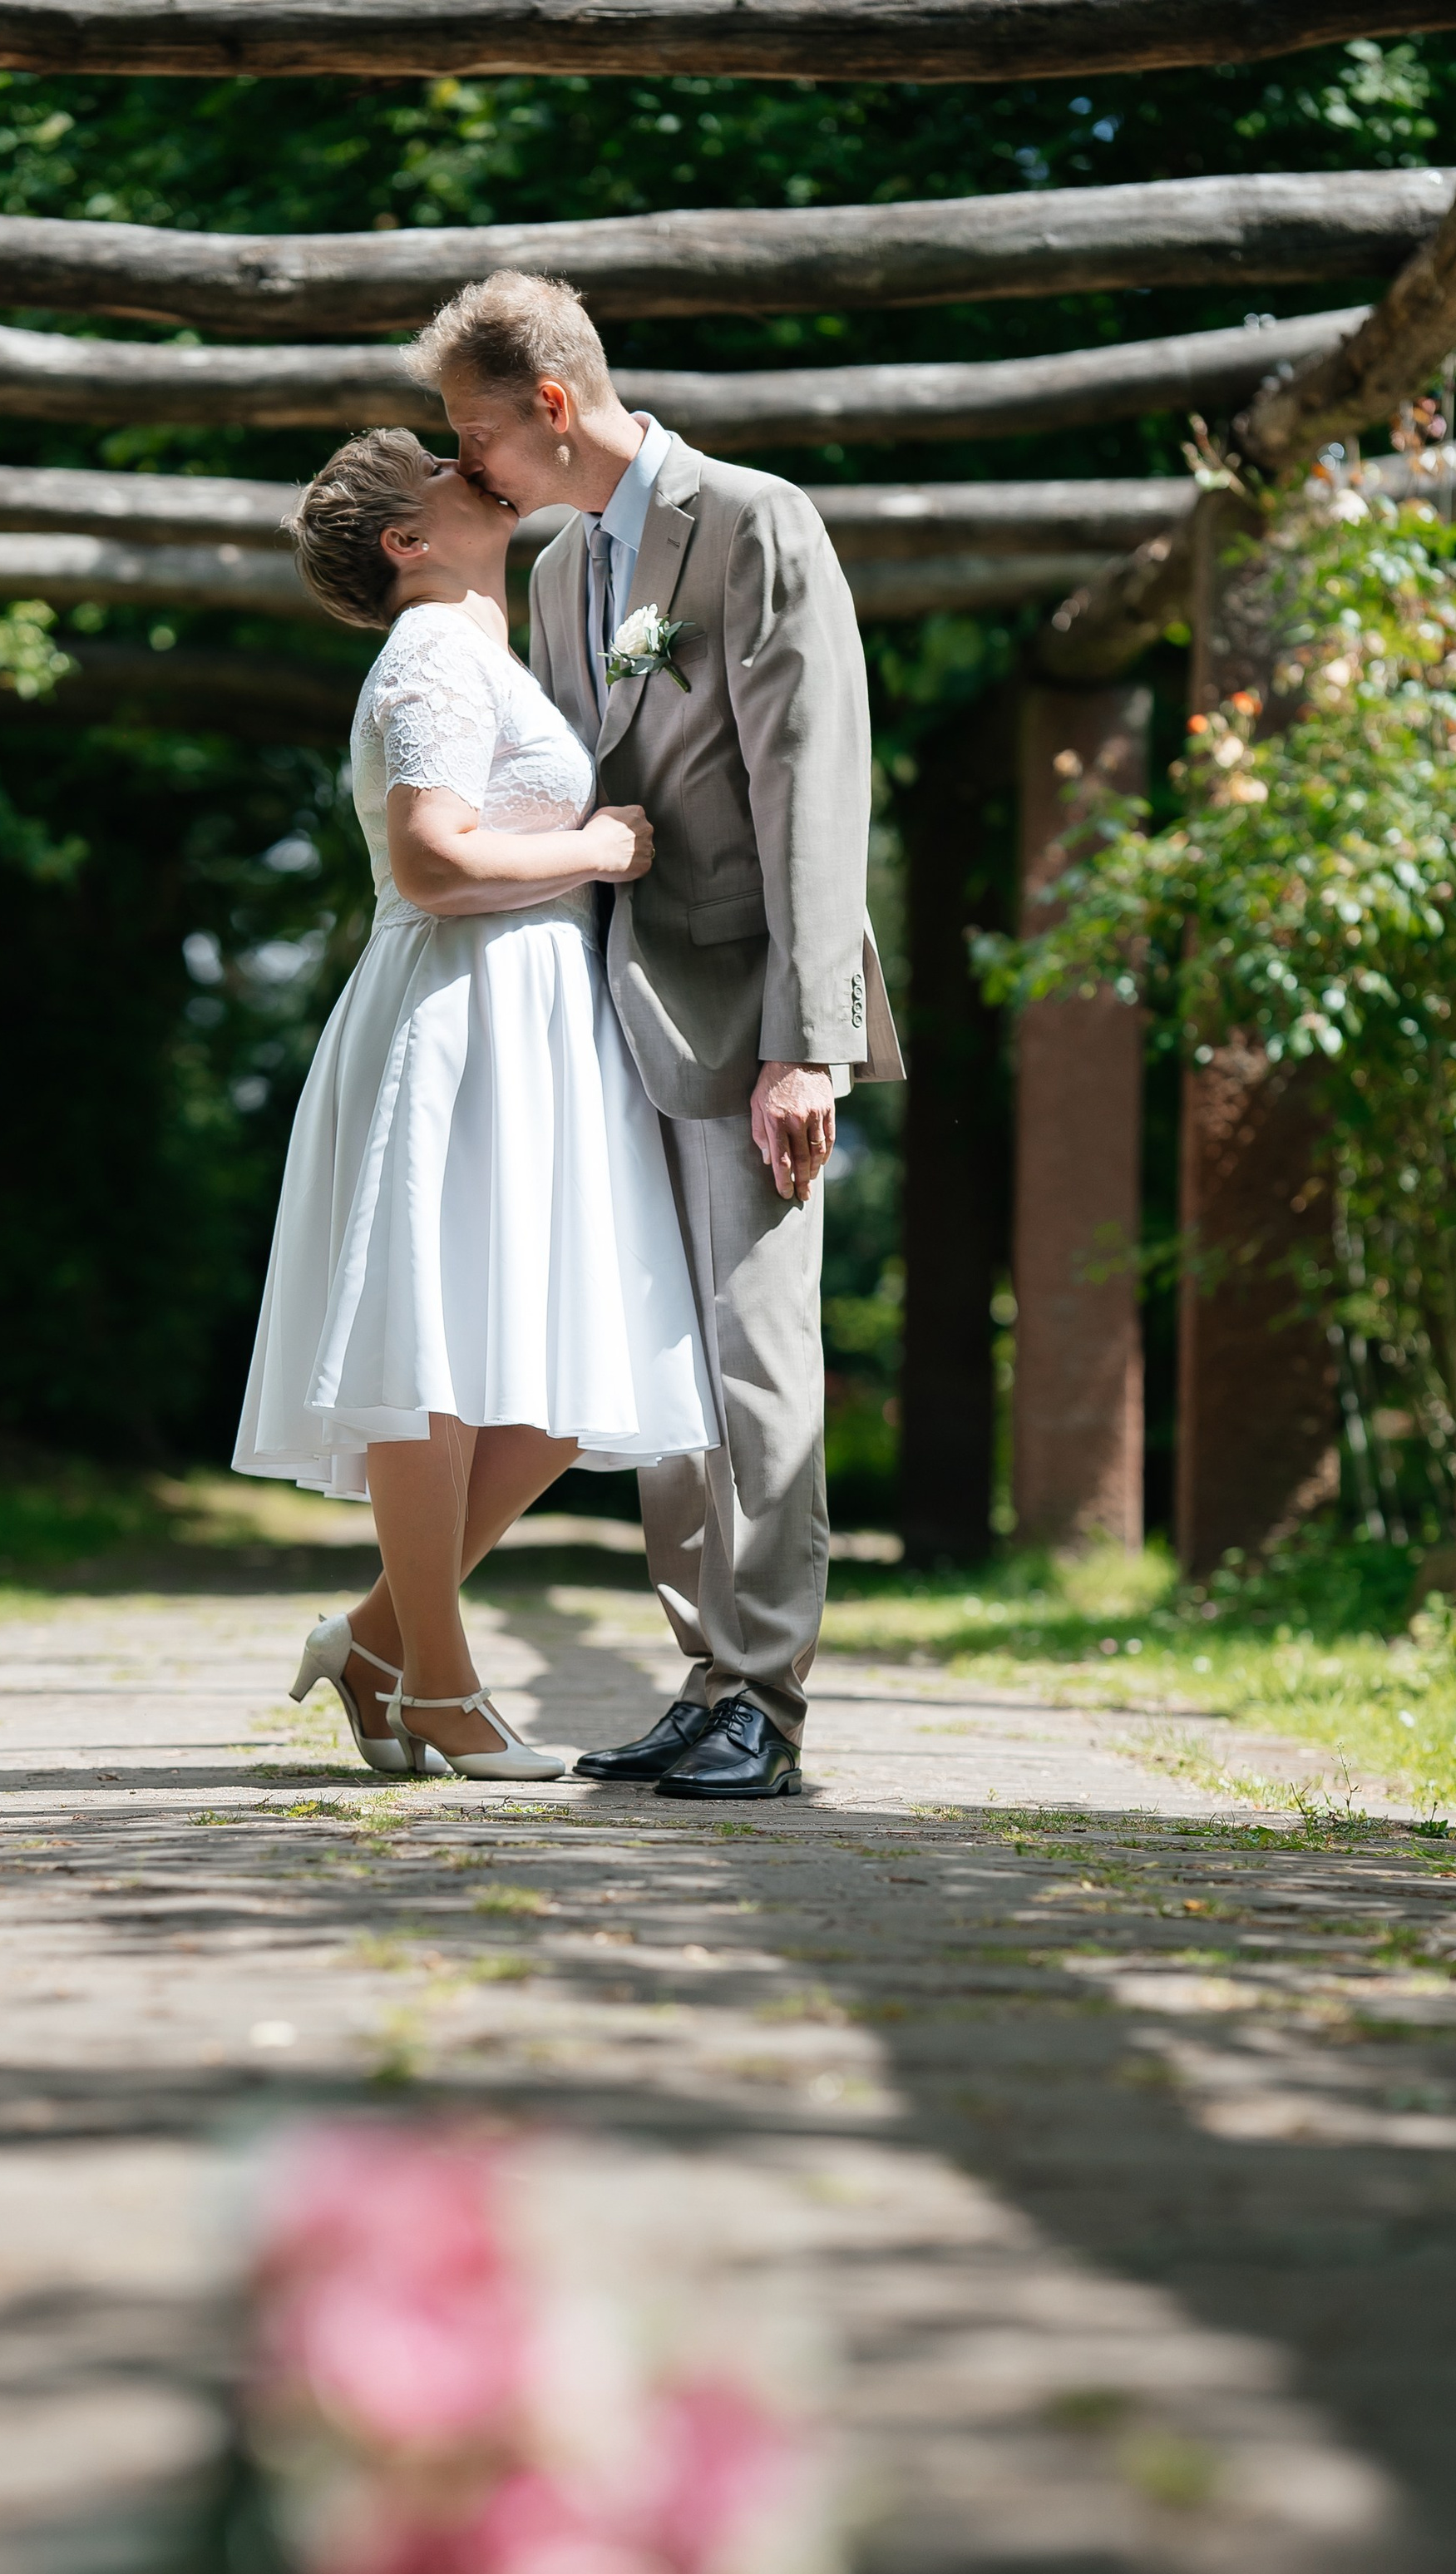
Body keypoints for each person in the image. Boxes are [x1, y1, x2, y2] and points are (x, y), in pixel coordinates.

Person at [407, 272, 904, 1801]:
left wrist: (808, 1044)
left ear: (552, 407)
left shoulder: (755, 522)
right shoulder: (562, 566)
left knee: (757, 1356)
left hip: (749, 1010)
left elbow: (814, 787)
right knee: (671, 1372)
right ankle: (706, 1680)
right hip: (611, 1013)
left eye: (475, 435)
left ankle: (768, 1698)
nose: (467, 466)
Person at [232, 427, 718, 1781]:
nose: (473, 461)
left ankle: (377, 1642)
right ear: (409, 541)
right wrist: (598, 849)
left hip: (526, 1015)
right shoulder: (434, 650)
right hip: (460, 1012)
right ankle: (437, 1686)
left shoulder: (480, 648)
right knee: (437, 1354)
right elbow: (433, 862)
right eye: (443, 469)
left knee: (558, 1376)